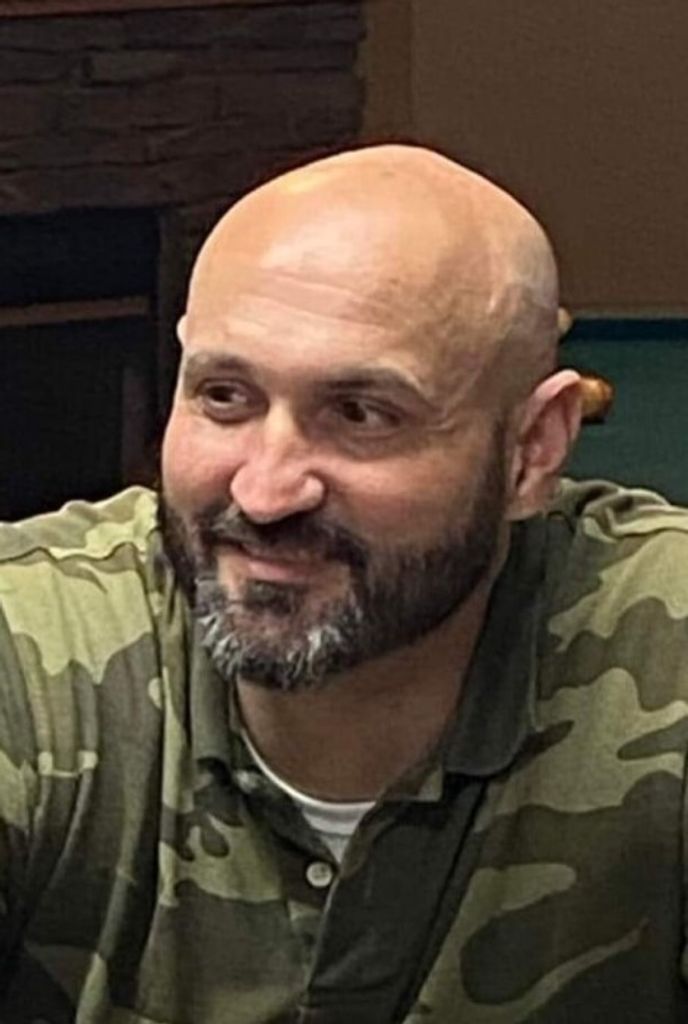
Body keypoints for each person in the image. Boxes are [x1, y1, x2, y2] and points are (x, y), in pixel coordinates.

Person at [1, 144, 687, 1024]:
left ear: (531, 452)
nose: (265, 491)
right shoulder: (35, 647)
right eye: (225, 396)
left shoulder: (661, 654)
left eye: (361, 414)